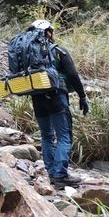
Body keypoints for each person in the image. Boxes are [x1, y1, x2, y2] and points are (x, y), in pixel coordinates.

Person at [28, 19, 89, 188]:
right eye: (51, 31)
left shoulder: (28, 53)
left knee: (47, 136)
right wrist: (82, 96)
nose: (52, 34)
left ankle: (51, 172)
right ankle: (60, 175)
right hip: (56, 98)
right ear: (47, 32)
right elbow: (73, 75)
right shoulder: (58, 51)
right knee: (63, 136)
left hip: (37, 98)